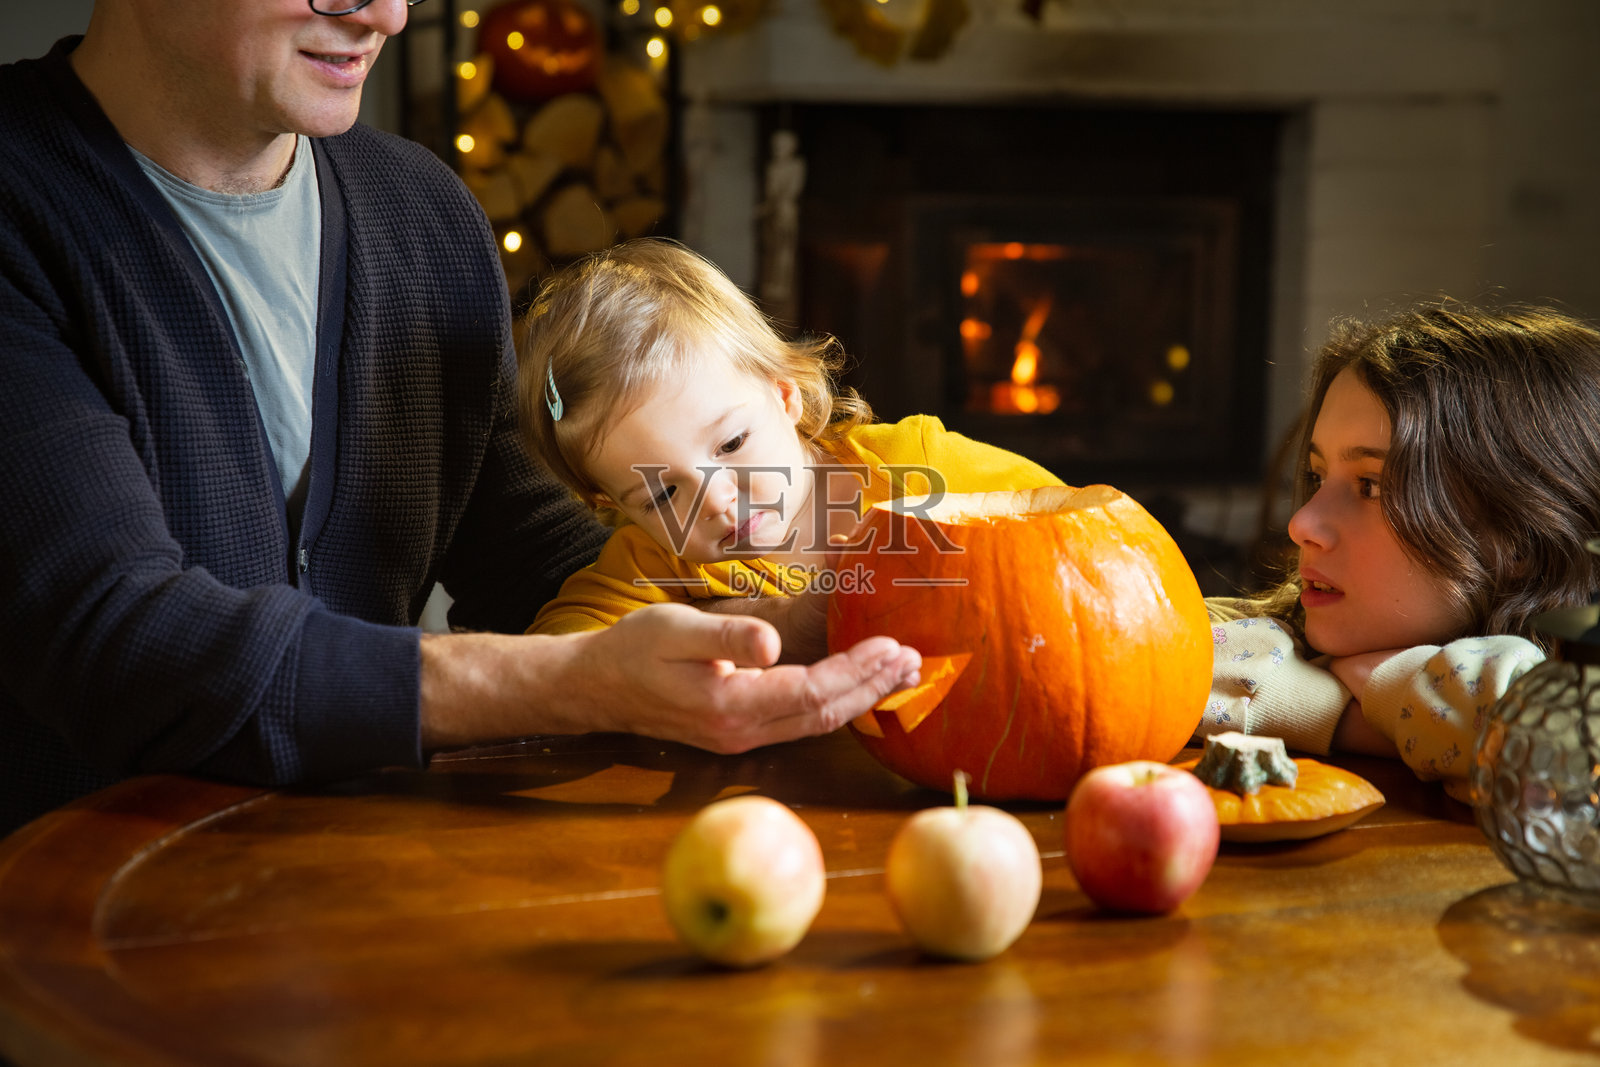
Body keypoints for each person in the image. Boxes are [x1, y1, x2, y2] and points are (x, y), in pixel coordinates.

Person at [0, 0, 919, 837]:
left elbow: (538, 555)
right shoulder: (23, 204)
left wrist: (779, 614)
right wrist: (573, 681)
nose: (388, 15)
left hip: (382, 877)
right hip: (81, 922)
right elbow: (117, 634)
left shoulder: (422, 211)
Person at [516, 238, 1065, 644]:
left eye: (731, 444)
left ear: (785, 395)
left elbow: (1075, 538)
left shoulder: (911, 465)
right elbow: (558, 654)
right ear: (614, 507)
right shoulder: (658, 563)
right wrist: (730, 624)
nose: (715, 501)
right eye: (662, 495)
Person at [1197, 302, 1600, 801]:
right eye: (1318, 477)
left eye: (1370, 486)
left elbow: (1555, 745)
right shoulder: (1286, 635)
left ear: (1518, 544)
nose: (1302, 524)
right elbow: (1149, 661)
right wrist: (1351, 708)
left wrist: (1374, 693)